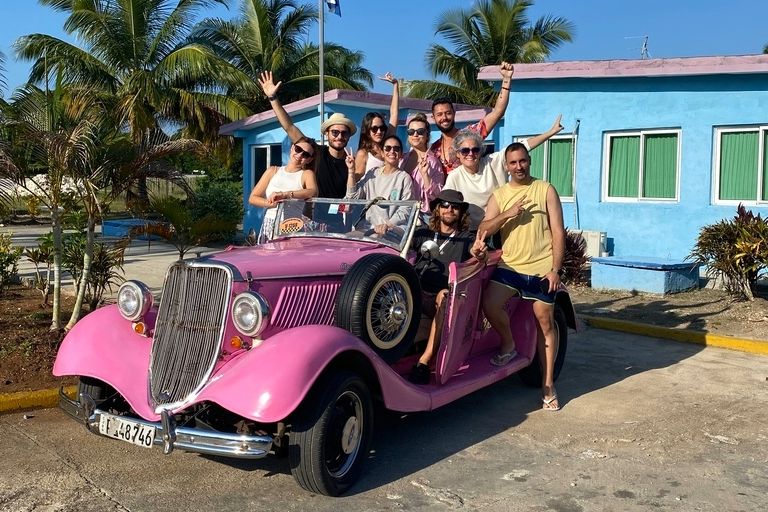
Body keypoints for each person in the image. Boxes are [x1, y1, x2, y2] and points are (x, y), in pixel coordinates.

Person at [478, 142, 566, 412]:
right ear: (506, 166)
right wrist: (508, 213)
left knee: (545, 323)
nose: (519, 167)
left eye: (523, 161)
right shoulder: (500, 194)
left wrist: (555, 270)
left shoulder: (545, 189)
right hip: (510, 267)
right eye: (513, 163)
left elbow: (558, 232)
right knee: (489, 305)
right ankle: (509, 344)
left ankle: (548, 384)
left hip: (541, 269)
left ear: (529, 161)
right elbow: (484, 227)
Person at [408, 190, 487, 384]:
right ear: (437, 209)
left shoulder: (465, 238)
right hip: (415, 290)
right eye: (444, 205)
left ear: (461, 212)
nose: (449, 209)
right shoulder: (424, 233)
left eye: (455, 207)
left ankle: (424, 362)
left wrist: (480, 253)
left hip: (441, 295)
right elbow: (403, 245)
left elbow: (478, 254)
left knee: (445, 296)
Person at [259, 70, 355, 198]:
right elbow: (289, 127)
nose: (339, 136)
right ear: (327, 133)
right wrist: (273, 98)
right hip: (313, 216)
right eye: (335, 132)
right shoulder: (315, 153)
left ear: (349, 136)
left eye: (344, 133)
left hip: (341, 217)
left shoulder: (352, 162)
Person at [428, 61, 515, 175]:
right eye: (439, 114)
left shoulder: (470, 134)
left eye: (448, 113)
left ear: (454, 114)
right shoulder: (434, 150)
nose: (444, 117)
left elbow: (498, 112)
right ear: (433, 118)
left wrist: (506, 79)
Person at [248, 137, 318, 243]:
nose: (299, 155)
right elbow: (253, 198)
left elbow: (313, 192)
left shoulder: (307, 174)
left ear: (309, 159)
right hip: (269, 224)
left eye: (306, 154)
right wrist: (270, 203)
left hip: (293, 224)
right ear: (292, 148)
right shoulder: (273, 170)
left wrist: (285, 195)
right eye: (298, 149)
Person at [344, 135, 415, 235]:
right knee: (348, 238)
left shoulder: (404, 178)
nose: (392, 151)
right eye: (388, 148)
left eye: (396, 148)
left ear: (401, 154)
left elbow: (406, 209)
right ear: (382, 153)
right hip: (368, 227)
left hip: (392, 230)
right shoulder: (372, 173)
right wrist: (351, 170)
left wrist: (387, 225)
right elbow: (352, 196)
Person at [354, 73, 399, 178]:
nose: (379, 131)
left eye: (382, 128)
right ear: (367, 130)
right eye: (374, 128)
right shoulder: (363, 153)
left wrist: (395, 85)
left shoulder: (387, 147)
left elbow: (394, 114)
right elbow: (356, 180)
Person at [400, 113, 444, 220]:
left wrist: (425, 175)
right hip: (402, 213)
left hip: (422, 217)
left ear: (427, 135)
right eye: (411, 132)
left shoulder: (433, 162)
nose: (415, 135)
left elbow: (437, 195)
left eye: (420, 132)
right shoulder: (402, 159)